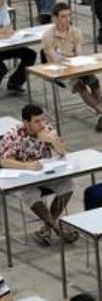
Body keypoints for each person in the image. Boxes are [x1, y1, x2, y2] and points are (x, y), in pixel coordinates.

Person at [0, 103, 77, 245]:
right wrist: (26, 166)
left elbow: (63, 152)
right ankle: (57, 228)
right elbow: (4, 161)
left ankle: (46, 228)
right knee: (29, 194)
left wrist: (52, 140)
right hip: (23, 178)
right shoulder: (13, 135)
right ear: (26, 123)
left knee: (67, 184)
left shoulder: (46, 130)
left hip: (44, 173)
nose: (42, 124)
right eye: (37, 121)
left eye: (43, 119)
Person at [42, 3, 102, 131]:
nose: (67, 19)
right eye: (63, 16)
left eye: (69, 15)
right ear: (55, 18)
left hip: (76, 65)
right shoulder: (48, 35)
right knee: (80, 86)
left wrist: (70, 56)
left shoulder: (76, 32)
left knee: (94, 81)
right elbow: (55, 58)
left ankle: (100, 115)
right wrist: (69, 56)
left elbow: (79, 54)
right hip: (59, 70)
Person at [0, 0, 34, 93]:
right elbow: (5, 31)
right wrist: (3, 32)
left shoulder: (2, 7)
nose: (1, 0)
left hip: (5, 45)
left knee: (30, 54)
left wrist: (4, 32)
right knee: (1, 69)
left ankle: (15, 82)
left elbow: (9, 29)